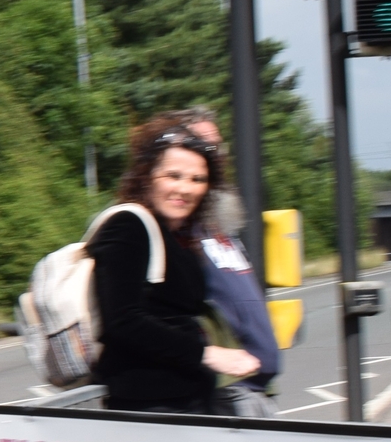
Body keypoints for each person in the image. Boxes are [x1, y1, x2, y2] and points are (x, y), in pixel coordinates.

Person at [90, 118, 262, 412]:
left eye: (197, 180)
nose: (185, 188)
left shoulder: (177, 236)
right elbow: (122, 320)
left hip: (186, 402)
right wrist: (206, 354)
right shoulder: (128, 225)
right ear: (148, 177)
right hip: (149, 409)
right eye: (174, 175)